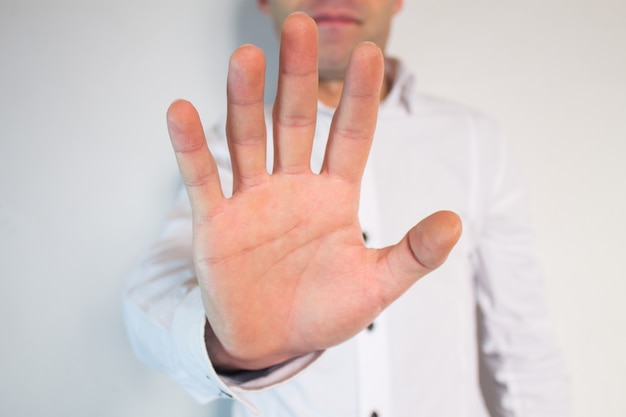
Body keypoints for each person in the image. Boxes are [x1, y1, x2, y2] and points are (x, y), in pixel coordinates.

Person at [124, 1, 570, 416]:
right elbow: (148, 301)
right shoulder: (231, 151)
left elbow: (523, 345)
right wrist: (225, 345)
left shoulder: (475, 142)